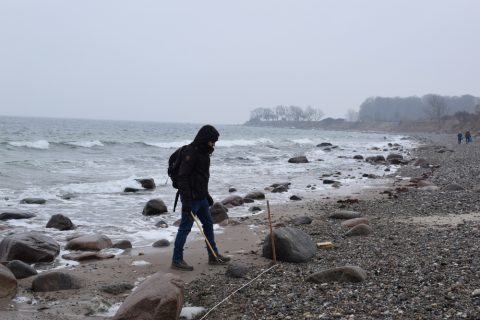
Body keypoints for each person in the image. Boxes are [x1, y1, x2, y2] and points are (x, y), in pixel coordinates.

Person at [171, 125, 231, 271]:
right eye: (212, 141)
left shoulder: (204, 153)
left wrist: (206, 195)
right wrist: (186, 201)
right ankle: (177, 260)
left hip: (202, 198)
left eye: (215, 141)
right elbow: (183, 177)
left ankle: (213, 255)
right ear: (205, 139)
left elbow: (201, 177)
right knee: (185, 229)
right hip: (191, 199)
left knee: (208, 225)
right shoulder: (191, 152)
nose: (213, 144)